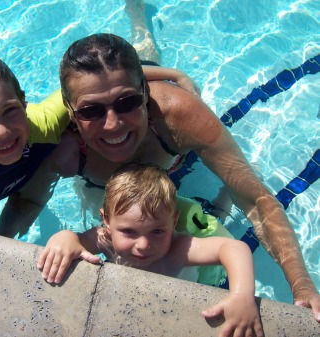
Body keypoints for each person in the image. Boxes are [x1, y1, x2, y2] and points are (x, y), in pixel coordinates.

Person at [32, 32, 319, 321]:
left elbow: (257, 201)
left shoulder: (180, 116)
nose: (113, 124)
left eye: (127, 102)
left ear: (144, 93)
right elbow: (28, 200)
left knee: (146, 55)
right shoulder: (63, 150)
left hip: (164, 137)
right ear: (70, 112)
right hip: (114, 180)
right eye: (91, 110)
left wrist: (302, 285)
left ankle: (141, 29)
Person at [0, 52, 198, 249]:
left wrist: (175, 74)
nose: (2, 131)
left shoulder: (43, 122)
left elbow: (109, 81)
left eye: (9, 111)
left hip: (9, 179)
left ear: (24, 102)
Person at [38, 163, 264, 337]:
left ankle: (228, 191)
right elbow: (74, 240)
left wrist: (241, 296)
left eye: (157, 231)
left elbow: (234, 248)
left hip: (204, 275)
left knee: (217, 217)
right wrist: (63, 238)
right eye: (129, 231)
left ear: (174, 222)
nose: (143, 245)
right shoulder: (104, 238)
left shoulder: (180, 249)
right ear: (106, 221)